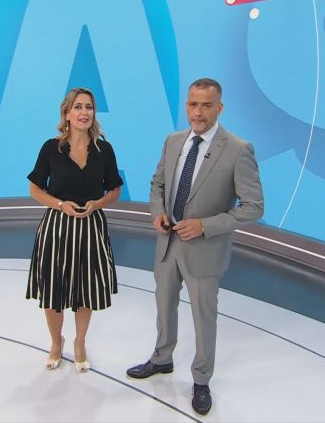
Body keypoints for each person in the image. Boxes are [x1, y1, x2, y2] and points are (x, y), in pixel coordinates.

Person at [126, 78, 264, 415]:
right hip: (167, 245)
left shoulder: (238, 149)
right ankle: (162, 358)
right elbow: (158, 184)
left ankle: (201, 380)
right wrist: (158, 213)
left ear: (220, 108)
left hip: (205, 251)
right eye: (192, 104)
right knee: (164, 306)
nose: (198, 112)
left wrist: (205, 226)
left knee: (204, 317)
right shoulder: (173, 141)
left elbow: (253, 207)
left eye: (206, 105)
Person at [26, 87, 123, 373]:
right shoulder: (51, 148)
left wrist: (97, 204)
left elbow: (114, 190)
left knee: (87, 288)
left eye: (89, 107)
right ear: (67, 114)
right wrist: (59, 204)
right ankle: (56, 342)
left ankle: (80, 342)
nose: (84, 112)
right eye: (78, 107)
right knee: (53, 290)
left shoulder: (104, 150)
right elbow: (35, 190)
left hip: (91, 228)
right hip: (57, 227)